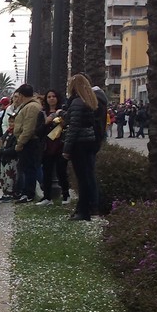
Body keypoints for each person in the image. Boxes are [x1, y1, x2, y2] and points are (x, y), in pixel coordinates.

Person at [61, 74, 101, 222]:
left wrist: (66, 149)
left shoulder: (77, 102)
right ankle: (88, 207)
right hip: (89, 141)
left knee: (82, 178)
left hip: (80, 143)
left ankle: (83, 210)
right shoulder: (89, 101)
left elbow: (74, 127)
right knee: (88, 176)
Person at [11, 84, 44, 203]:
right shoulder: (27, 106)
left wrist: (20, 143)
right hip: (27, 141)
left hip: (29, 142)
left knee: (29, 168)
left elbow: (28, 127)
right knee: (25, 167)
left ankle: (28, 193)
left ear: (21, 95)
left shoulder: (31, 107)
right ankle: (25, 191)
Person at [39, 89, 71, 205]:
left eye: (53, 96)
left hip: (60, 145)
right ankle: (47, 197)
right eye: (49, 97)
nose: (51, 98)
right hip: (47, 146)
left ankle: (66, 195)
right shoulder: (42, 113)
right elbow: (39, 131)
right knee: (46, 172)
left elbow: (70, 124)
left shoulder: (63, 111)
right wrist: (46, 122)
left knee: (61, 171)